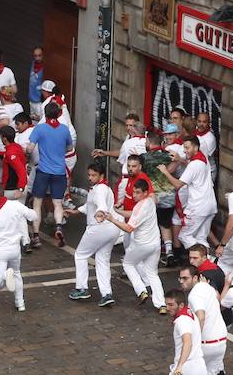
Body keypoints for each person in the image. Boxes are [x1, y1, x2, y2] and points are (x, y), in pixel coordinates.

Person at [67, 162, 120, 306]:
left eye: (93, 175)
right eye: (89, 174)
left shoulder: (99, 189)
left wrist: (99, 214)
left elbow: (101, 205)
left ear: (101, 175)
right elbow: (90, 205)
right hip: (112, 228)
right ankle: (106, 293)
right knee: (102, 260)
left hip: (99, 227)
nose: (90, 178)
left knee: (80, 255)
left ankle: (82, 288)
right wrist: (77, 211)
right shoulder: (104, 188)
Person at [179, 264, 228, 375]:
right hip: (221, 341)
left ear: (195, 278)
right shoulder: (208, 287)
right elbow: (219, 302)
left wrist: (194, 341)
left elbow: (201, 316)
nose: (182, 281)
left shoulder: (194, 295)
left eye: (185, 278)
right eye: (180, 278)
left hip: (206, 343)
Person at [0, 184, 33, 313]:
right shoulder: (15, 205)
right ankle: (20, 303)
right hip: (15, 249)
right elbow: (33, 216)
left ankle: (4, 276)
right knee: (17, 274)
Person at [27, 101, 74, 249]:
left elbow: (30, 149)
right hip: (59, 171)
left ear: (45, 114)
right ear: (59, 114)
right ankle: (59, 226)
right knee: (57, 202)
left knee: (37, 202)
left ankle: (35, 236)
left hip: (43, 171)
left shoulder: (39, 129)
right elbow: (70, 148)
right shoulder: (64, 130)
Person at [111, 178, 163, 305]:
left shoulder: (140, 206)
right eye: (134, 192)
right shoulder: (150, 202)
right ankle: (161, 304)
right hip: (155, 244)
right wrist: (118, 211)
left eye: (138, 192)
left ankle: (141, 291)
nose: (134, 195)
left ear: (145, 193)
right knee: (152, 274)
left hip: (142, 245)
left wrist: (112, 218)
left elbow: (129, 228)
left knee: (128, 264)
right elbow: (133, 214)